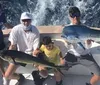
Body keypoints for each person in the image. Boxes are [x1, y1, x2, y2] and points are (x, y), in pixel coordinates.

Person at [0, 12, 43, 85]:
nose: (26, 22)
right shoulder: (15, 29)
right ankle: (20, 78)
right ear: (20, 20)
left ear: (31, 20)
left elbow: (36, 48)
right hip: (18, 56)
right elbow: (13, 45)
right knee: (7, 75)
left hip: (31, 56)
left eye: (28, 20)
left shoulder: (35, 30)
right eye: (24, 20)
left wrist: (35, 55)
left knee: (44, 73)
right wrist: (10, 52)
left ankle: (37, 75)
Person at [62, 6, 100, 85]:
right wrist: (68, 42)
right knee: (59, 66)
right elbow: (67, 46)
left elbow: (88, 47)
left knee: (99, 75)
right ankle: (58, 81)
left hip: (85, 55)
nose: (75, 17)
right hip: (72, 55)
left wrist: (88, 43)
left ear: (80, 15)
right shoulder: (67, 29)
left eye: (77, 15)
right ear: (69, 17)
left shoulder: (86, 29)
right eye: (73, 15)